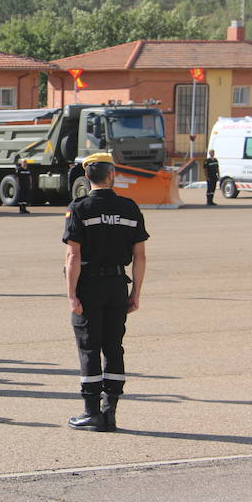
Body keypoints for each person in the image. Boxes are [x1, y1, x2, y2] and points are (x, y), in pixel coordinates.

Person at [63, 152, 148, 432]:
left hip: (89, 286)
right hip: (116, 287)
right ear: (111, 175)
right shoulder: (129, 208)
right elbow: (140, 257)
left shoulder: (80, 208)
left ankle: (91, 413)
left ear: (87, 177)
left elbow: (73, 256)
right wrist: (135, 292)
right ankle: (110, 411)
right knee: (114, 347)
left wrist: (72, 295)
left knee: (89, 347)